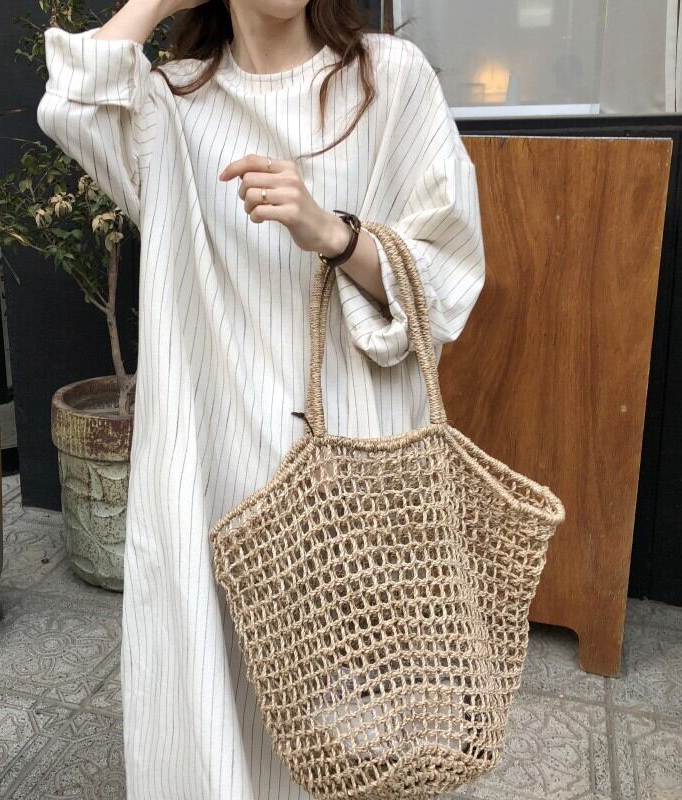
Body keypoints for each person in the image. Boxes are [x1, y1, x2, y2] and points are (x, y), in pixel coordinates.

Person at [37, 1, 485, 797]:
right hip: (214, 466)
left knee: (349, 737)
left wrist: (334, 233)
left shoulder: (388, 80)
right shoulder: (171, 104)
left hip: (350, 468)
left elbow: (447, 274)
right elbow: (71, 100)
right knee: (222, 717)